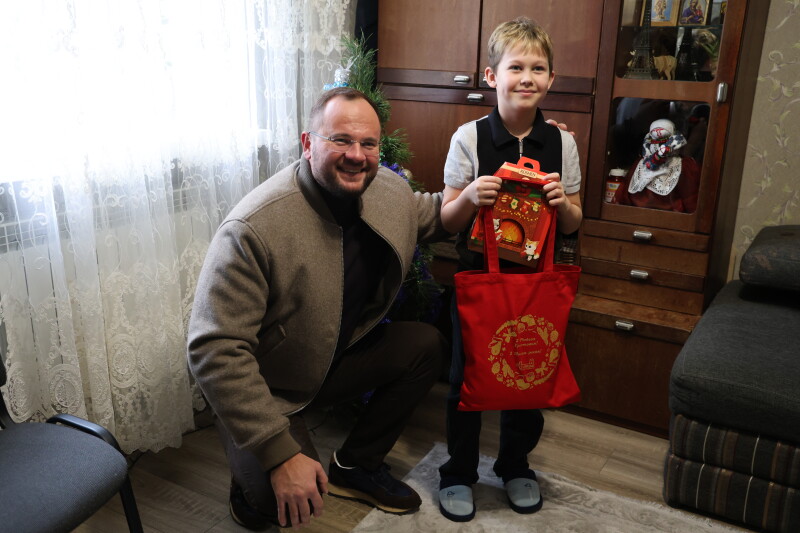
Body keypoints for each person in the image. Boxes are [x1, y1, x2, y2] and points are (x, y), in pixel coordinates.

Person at [187, 87, 450, 530]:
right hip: (265, 383)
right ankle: (248, 479)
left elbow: (436, 213)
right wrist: (278, 454)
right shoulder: (253, 227)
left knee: (425, 345)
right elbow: (213, 348)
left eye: (368, 143)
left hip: (331, 357)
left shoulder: (387, 190)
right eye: (340, 140)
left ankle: (356, 466)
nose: (357, 155)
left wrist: (505, 184)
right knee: (275, 504)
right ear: (308, 144)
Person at [436, 17, 583, 522]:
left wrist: (563, 204)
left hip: (537, 283)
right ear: (491, 76)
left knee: (529, 376)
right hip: (479, 281)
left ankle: (515, 465)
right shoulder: (468, 137)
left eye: (538, 68)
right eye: (515, 67)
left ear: (551, 78)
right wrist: (470, 197)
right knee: (466, 380)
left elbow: (575, 223)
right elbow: (447, 218)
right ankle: (458, 472)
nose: (527, 77)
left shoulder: (562, 143)